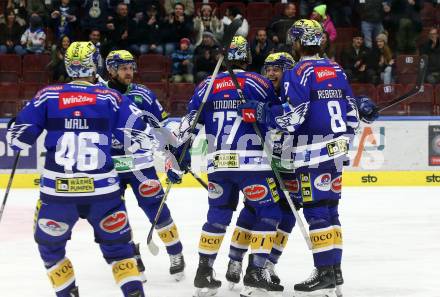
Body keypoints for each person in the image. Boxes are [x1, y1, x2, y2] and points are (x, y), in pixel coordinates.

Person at [237, 19, 378, 297]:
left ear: (298, 42)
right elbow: (351, 111)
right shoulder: (335, 68)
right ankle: (334, 272)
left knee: (315, 211)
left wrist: (263, 112)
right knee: (330, 210)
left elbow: (294, 117)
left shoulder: (299, 71)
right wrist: (365, 107)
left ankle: (324, 272)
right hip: (337, 151)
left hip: (312, 153)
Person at [7, 41, 147, 297]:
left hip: (58, 195)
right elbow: (141, 135)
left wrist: (19, 122)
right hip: (104, 194)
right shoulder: (110, 97)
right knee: (120, 253)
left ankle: (68, 292)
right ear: (95, 65)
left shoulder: (48, 96)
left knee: (50, 250)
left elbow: (16, 141)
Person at [167, 36, 284, 297]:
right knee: (269, 213)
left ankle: (204, 272)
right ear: (247, 57)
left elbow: (188, 125)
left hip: (218, 165)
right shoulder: (259, 82)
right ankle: (255, 271)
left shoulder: (206, 86)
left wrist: (176, 155)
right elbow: (279, 118)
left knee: (217, 217)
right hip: (252, 165)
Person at [105, 49, 186, 281]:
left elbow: (162, 128)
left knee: (157, 211)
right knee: (114, 216)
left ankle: (176, 253)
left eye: (131, 68)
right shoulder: (100, 96)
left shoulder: (143, 94)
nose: (129, 72)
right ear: (111, 70)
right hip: (110, 168)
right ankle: (132, 257)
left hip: (140, 164)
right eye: (123, 68)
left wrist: (173, 157)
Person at [225, 52, 299, 289]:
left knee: (288, 214)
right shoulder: (256, 90)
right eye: (268, 68)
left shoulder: (297, 93)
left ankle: (267, 264)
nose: (271, 73)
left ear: (288, 70)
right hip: (261, 162)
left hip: (290, 163)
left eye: (277, 68)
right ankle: (235, 260)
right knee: (252, 209)